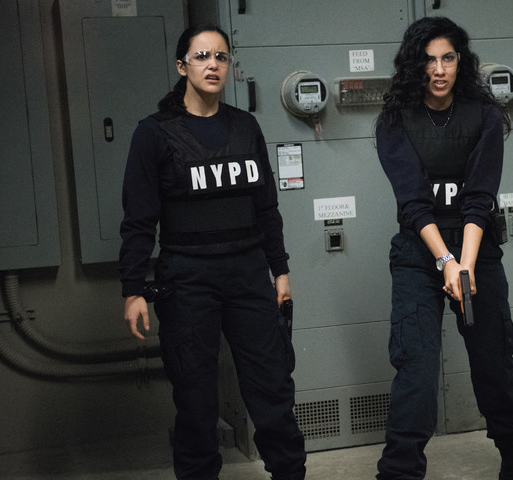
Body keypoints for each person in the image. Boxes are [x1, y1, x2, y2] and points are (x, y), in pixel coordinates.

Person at [374, 16, 513, 480]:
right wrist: (445, 260)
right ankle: (399, 473)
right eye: (429, 60)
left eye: (448, 58)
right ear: (414, 64)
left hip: (477, 249)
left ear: (462, 61)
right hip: (420, 254)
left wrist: (467, 264)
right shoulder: (395, 120)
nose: (439, 70)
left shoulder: (484, 116)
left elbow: (480, 197)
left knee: (494, 359)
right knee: (416, 367)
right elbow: (413, 202)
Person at [118, 23, 307, 480]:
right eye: (202, 56)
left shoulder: (245, 127)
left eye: (221, 56)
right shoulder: (155, 133)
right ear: (182, 66)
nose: (212, 64)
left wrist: (280, 270)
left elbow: (266, 207)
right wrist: (132, 289)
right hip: (187, 279)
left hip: (248, 273)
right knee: (196, 399)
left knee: (272, 388)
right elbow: (139, 219)